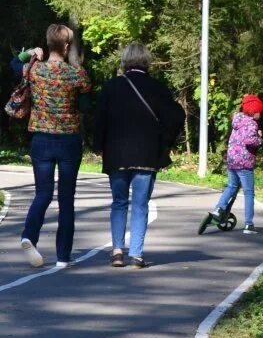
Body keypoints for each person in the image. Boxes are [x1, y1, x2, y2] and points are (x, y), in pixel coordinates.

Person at [92, 43, 185, 268]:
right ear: (147, 62)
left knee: (119, 203)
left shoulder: (112, 87)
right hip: (147, 155)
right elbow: (176, 116)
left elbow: (99, 119)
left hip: (117, 155)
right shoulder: (158, 88)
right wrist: (163, 143)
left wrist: (98, 146)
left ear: (124, 61)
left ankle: (116, 251)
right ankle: (136, 254)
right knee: (141, 205)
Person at [18, 24, 93, 269]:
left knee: (42, 194)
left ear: (48, 45)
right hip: (69, 140)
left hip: (41, 140)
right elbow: (86, 104)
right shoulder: (77, 75)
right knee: (66, 199)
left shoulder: (35, 70)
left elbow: (13, 64)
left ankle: (29, 236)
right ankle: (63, 257)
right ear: (68, 46)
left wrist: (29, 54)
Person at [199, 94, 263, 235]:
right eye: (259, 111)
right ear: (254, 111)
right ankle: (249, 224)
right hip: (245, 163)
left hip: (232, 160)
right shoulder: (252, 123)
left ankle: (219, 208)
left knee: (231, 186)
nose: (260, 114)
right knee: (248, 193)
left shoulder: (237, 120)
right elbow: (249, 141)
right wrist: (260, 139)